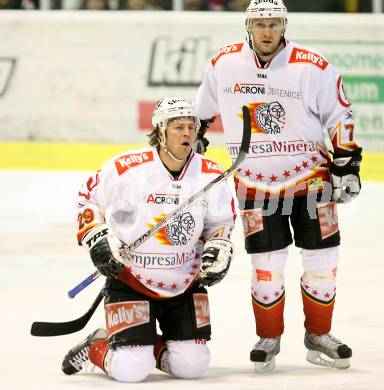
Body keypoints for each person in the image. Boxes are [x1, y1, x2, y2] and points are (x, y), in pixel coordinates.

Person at [195, 0, 362, 373]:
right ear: (248, 26)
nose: (266, 30)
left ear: (283, 25)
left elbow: (341, 114)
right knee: (267, 266)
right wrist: (194, 142)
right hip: (254, 183)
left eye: (273, 23)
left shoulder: (312, 64)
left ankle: (319, 334)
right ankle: (269, 336)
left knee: (323, 261)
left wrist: (347, 163)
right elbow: (201, 114)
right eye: (259, 23)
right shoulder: (223, 63)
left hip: (312, 179)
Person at [61, 98, 235, 382]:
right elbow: (87, 199)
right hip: (131, 279)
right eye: (178, 126)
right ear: (161, 130)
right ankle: (97, 345)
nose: (187, 133)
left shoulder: (211, 173)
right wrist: (97, 236)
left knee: (192, 367)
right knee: (131, 370)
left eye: (192, 127)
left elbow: (221, 223)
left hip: (184, 281)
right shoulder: (127, 168)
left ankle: (140, 345)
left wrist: (219, 246)